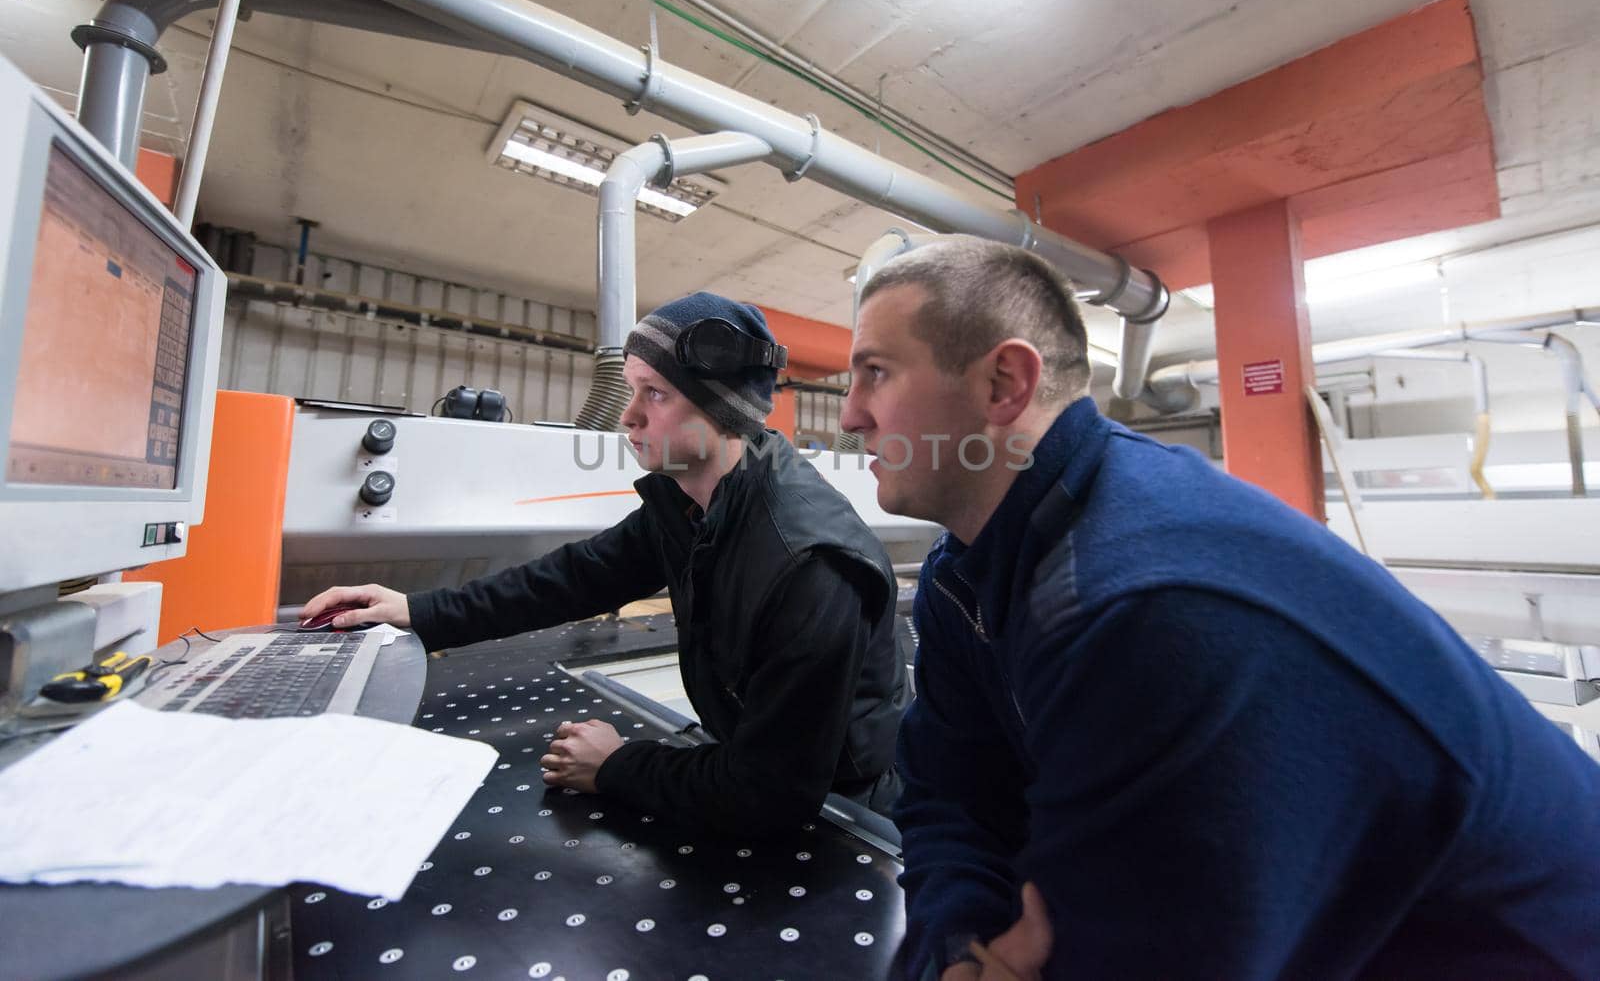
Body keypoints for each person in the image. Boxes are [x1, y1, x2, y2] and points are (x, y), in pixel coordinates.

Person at [837, 236, 1600, 981]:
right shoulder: (961, 575)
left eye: (876, 373)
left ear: (1004, 384)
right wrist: (961, 944)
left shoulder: (1148, 606)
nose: (850, 416)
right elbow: (947, 793)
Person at [303, 292, 907, 835]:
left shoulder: (806, 564)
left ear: (720, 410)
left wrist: (617, 765)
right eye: (630, 389)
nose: (628, 415)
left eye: (656, 393)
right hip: (757, 770)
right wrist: (416, 610)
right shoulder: (691, 500)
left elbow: (771, 793)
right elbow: (575, 576)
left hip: (847, 815)